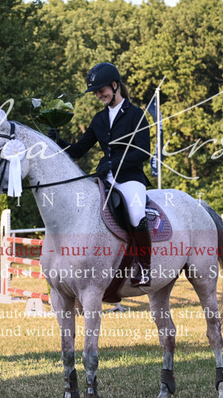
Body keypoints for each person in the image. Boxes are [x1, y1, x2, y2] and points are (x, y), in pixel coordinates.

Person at [51, 62, 152, 287]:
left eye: (101, 90)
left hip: (130, 178)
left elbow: (143, 152)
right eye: (96, 92)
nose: (98, 95)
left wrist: (114, 163)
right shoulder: (99, 119)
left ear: (115, 85)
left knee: (136, 214)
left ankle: (145, 267)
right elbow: (78, 150)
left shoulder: (136, 115)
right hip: (103, 179)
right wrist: (57, 141)